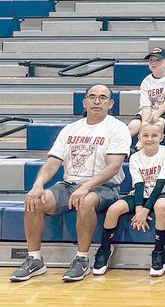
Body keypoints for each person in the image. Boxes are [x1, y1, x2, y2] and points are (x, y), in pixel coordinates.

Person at [10, 85, 130, 282]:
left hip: (105, 187)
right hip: (68, 185)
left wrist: (85, 187)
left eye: (102, 97)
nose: (97, 101)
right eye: (92, 97)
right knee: (34, 200)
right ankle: (34, 259)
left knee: (85, 201)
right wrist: (38, 184)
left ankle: (82, 259)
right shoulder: (70, 129)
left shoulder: (117, 128)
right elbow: (52, 163)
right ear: (84, 102)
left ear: (111, 103)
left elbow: (114, 167)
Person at [92, 118, 165, 277]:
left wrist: (145, 211)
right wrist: (139, 209)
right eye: (145, 135)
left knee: (159, 207)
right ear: (139, 137)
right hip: (141, 193)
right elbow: (138, 185)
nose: (149, 139)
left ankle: (158, 252)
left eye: (154, 135)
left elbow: (159, 185)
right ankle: (105, 249)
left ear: (161, 137)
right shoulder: (136, 157)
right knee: (113, 209)